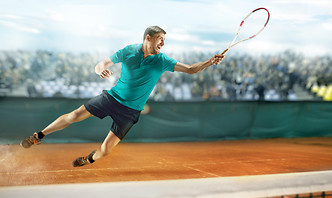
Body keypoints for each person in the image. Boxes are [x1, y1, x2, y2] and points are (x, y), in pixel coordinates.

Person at [20, 26, 224, 167]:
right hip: (111, 98)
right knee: (74, 115)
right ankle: (38, 136)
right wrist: (99, 70)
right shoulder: (129, 51)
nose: (163, 43)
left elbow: (189, 69)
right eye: (160, 39)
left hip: (131, 111)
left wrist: (209, 62)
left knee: (107, 149)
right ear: (148, 38)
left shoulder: (162, 60)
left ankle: (88, 159)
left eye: (164, 40)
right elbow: (102, 64)